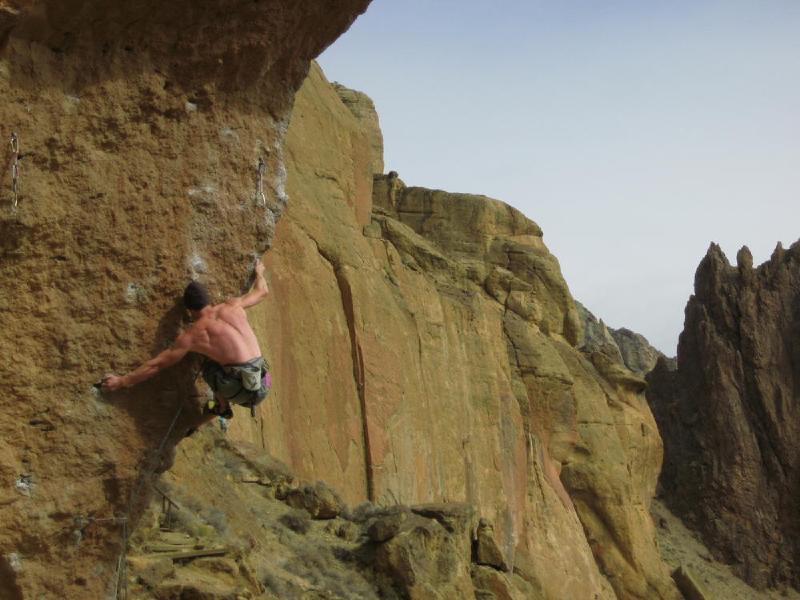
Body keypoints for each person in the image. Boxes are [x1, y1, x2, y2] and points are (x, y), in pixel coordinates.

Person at [102, 259, 271, 422]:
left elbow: (157, 365)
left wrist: (122, 381)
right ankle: (224, 401)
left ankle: (222, 406)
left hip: (246, 394)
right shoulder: (233, 306)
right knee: (224, 359)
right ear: (208, 301)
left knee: (209, 366)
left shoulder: (195, 334)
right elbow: (262, 292)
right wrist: (259, 273)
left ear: (190, 310)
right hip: (265, 381)